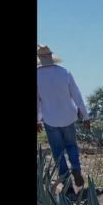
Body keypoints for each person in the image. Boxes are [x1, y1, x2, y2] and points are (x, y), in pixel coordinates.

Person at [36, 45, 90, 190]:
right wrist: (85, 116)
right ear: (51, 57)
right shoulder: (64, 72)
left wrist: (37, 120)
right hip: (68, 117)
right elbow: (76, 94)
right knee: (71, 146)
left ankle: (67, 186)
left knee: (58, 152)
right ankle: (76, 168)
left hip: (50, 119)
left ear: (39, 58)